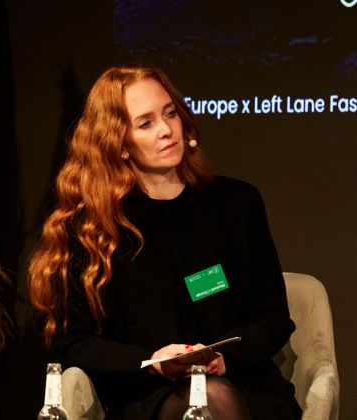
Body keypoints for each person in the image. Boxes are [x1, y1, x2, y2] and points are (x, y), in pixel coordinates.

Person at [28, 65, 302, 420]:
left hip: (243, 382)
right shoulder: (91, 227)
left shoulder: (237, 203)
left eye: (170, 114)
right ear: (119, 144)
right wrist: (153, 362)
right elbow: (72, 342)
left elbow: (273, 318)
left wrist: (223, 358)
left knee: (214, 396)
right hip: (148, 394)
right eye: (146, 123)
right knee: (205, 399)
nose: (167, 130)